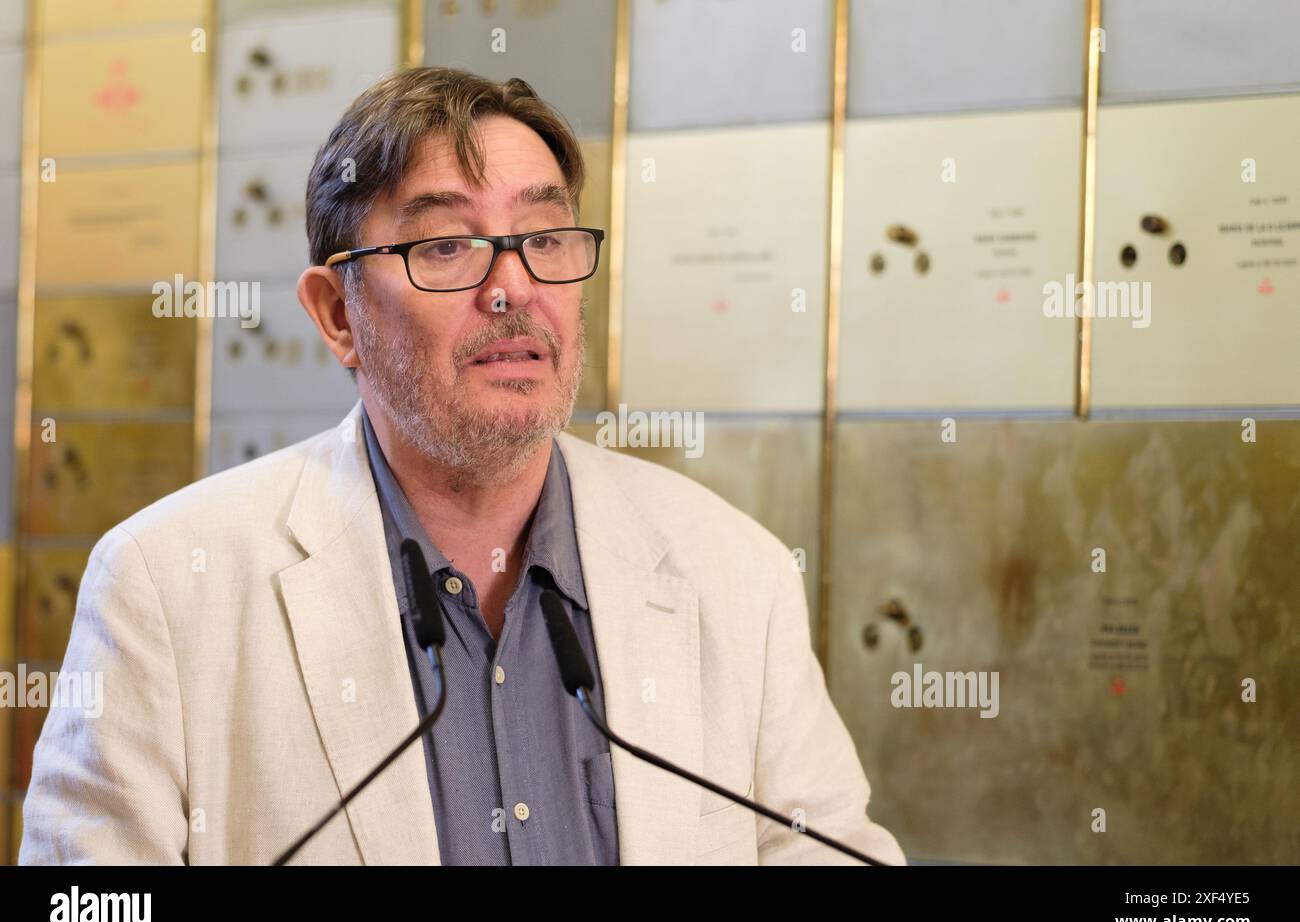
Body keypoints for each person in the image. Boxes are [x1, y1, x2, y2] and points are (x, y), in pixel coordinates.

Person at [20, 67, 904, 866]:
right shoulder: (165, 586)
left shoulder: (734, 571)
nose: (512, 286)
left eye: (545, 237)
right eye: (446, 244)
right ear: (337, 313)